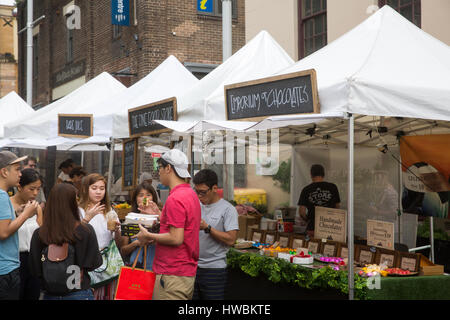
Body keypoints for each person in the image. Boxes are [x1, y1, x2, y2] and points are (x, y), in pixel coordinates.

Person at [136, 149, 201, 300]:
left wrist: (148, 235)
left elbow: (176, 238)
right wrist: (159, 215)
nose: (158, 173)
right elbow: (182, 226)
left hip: (172, 273)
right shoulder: (190, 193)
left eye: (159, 168)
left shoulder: (175, 198)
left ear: (168, 168)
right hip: (183, 272)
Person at [29, 183, 103, 300]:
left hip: (50, 294)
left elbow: (34, 269)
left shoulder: (39, 234)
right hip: (78, 292)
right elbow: (95, 263)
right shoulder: (85, 231)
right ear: (72, 203)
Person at [192, 169, 239, 300]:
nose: (199, 196)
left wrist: (207, 227)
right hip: (193, 267)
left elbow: (231, 239)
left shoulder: (228, 209)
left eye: (203, 192)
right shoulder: (196, 205)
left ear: (214, 188)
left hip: (214, 269)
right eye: (197, 191)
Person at [0, 151, 38, 300]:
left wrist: (17, 214)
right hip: (6, 270)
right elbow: (3, 233)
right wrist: (26, 214)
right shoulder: (2, 196)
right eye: (16, 169)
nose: (20, 174)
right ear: (4, 172)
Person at [78, 173, 122, 300]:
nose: (98, 192)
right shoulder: (79, 211)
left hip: (108, 263)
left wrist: (117, 230)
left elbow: (118, 243)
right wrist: (87, 218)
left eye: (102, 189)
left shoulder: (110, 211)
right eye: (94, 188)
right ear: (86, 189)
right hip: (86, 263)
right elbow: (73, 235)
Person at [10, 169, 43, 300]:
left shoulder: (37, 207)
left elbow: (41, 233)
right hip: (15, 259)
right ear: (19, 187)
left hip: (34, 258)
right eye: (31, 189)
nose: (35, 193)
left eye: (38, 189)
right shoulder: (8, 204)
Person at [120, 181, 160, 269]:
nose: (145, 198)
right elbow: (123, 250)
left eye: (148, 195)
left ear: (153, 197)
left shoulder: (159, 218)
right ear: (136, 199)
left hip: (156, 267)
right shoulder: (130, 220)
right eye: (141, 195)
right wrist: (137, 243)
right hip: (136, 266)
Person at [298, 164, 341, 238]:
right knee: (329, 247)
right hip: (330, 227)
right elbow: (337, 207)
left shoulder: (306, 189)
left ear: (311, 175)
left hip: (312, 227)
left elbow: (302, 212)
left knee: (313, 247)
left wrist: (307, 220)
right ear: (323, 174)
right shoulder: (333, 187)